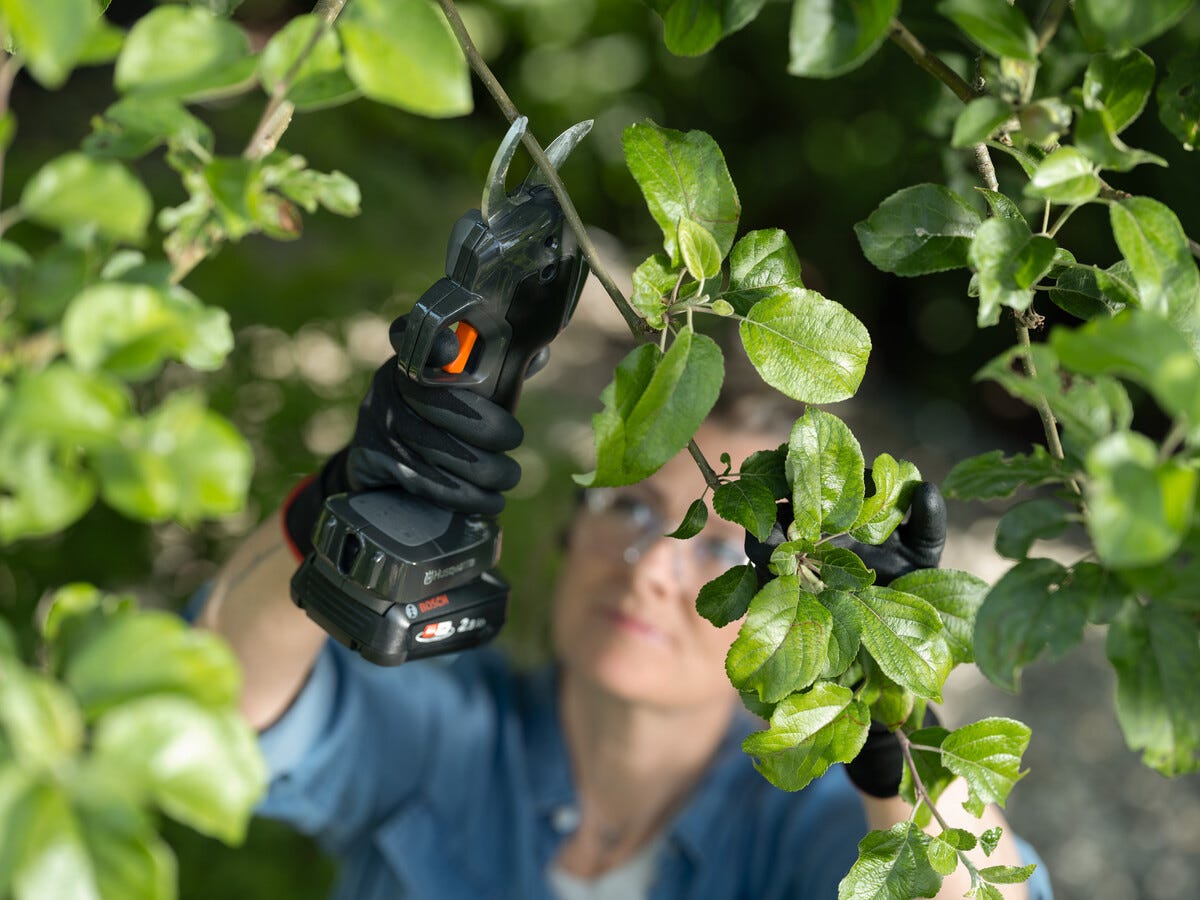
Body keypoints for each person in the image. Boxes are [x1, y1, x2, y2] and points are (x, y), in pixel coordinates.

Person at [196, 315, 1053, 899]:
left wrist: (892, 713)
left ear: (798, 622)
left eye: (725, 551)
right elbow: (216, 702)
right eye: (631, 509)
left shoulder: (802, 825)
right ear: (573, 526)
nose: (649, 570)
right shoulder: (452, 733)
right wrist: (342, 510)